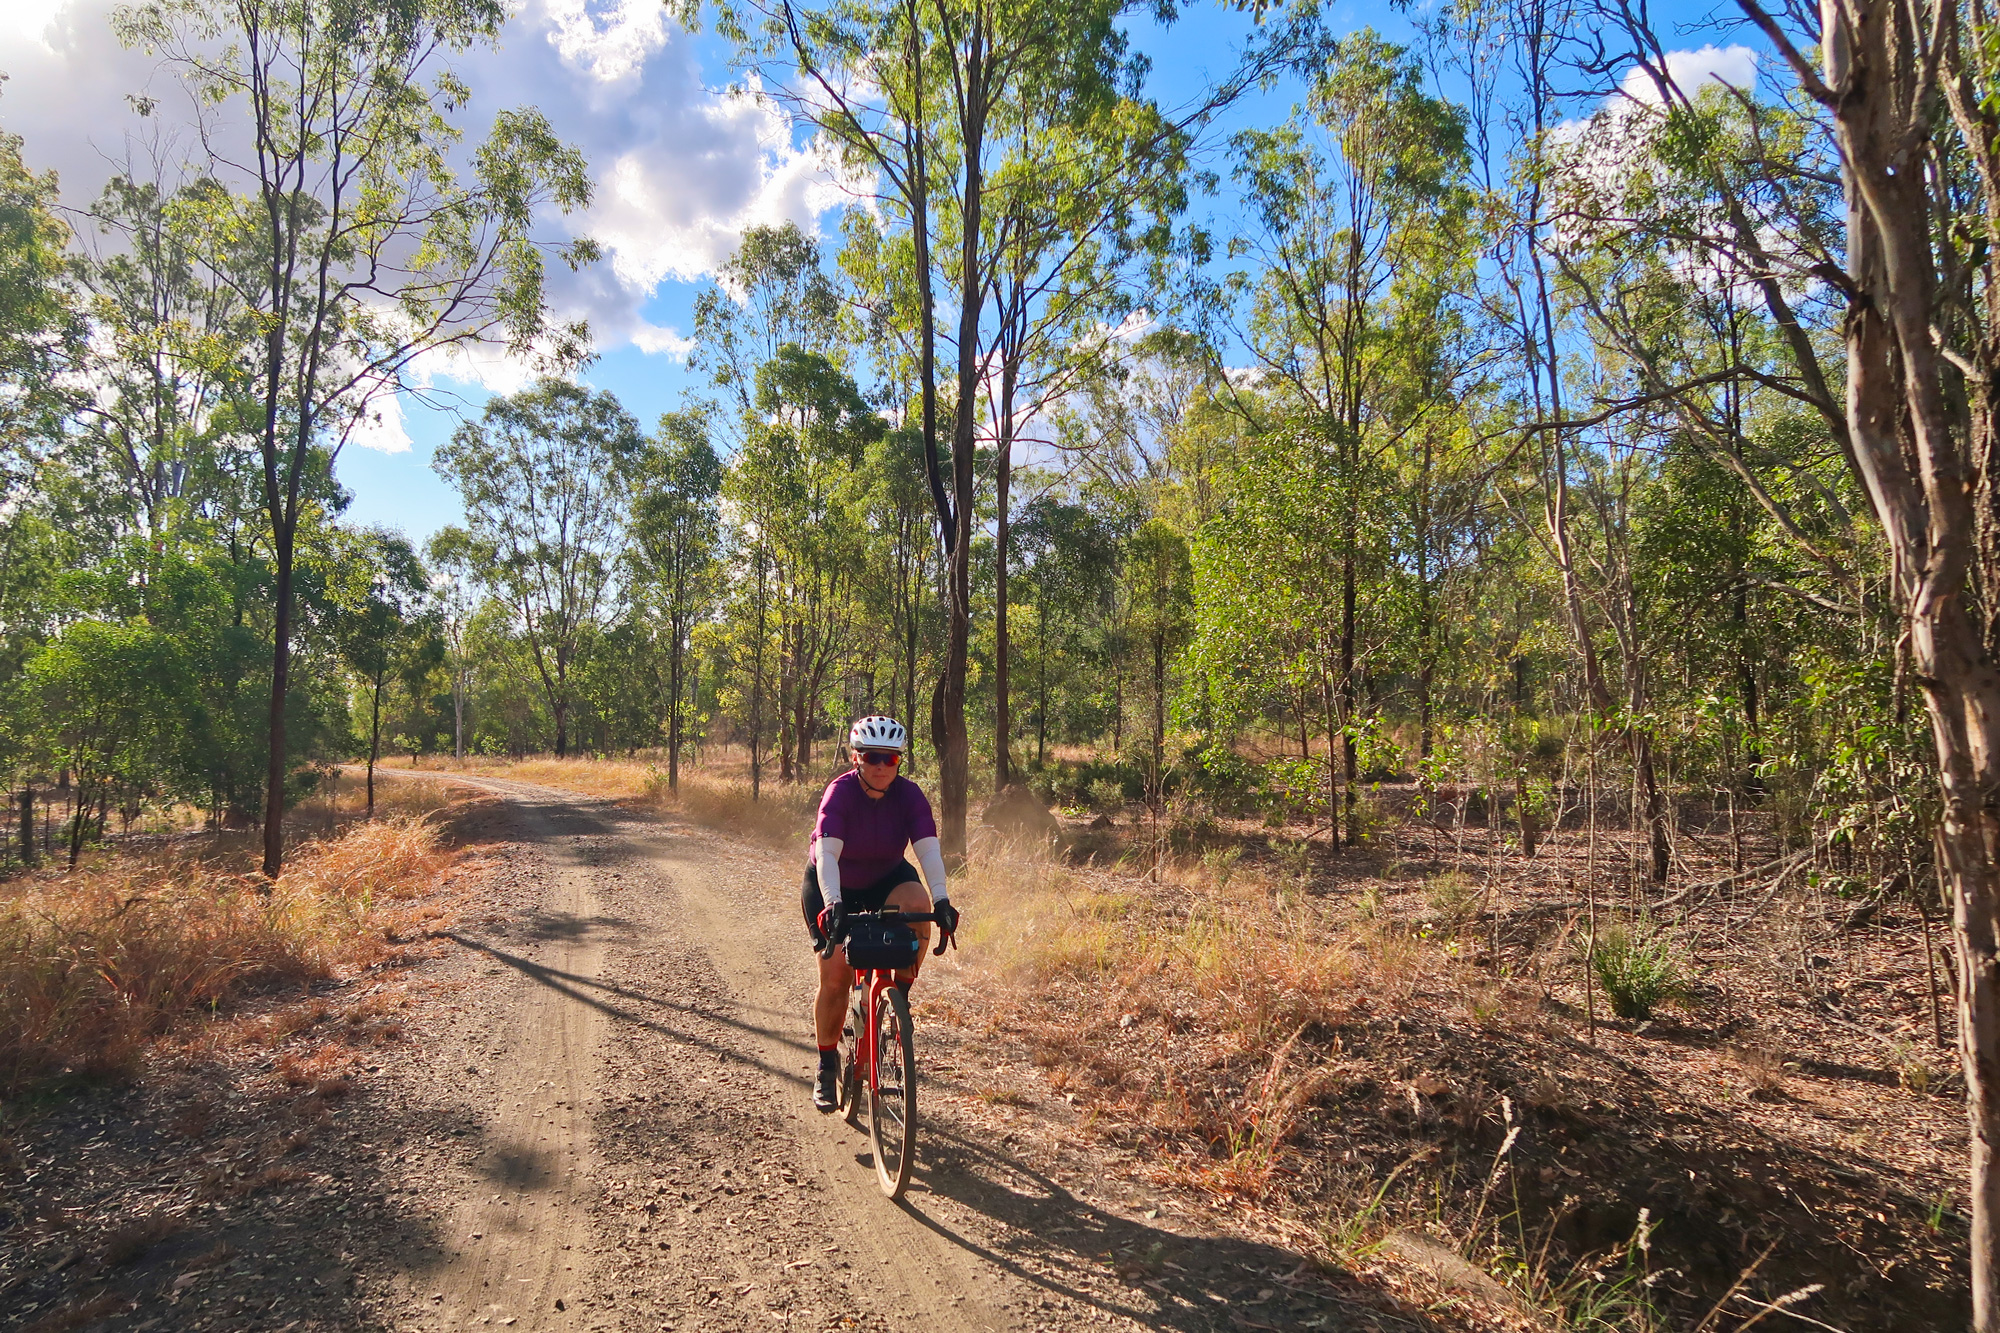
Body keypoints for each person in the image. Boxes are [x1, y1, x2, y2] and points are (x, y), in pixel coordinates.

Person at [803, 715, 960, 1113]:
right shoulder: (839, 793)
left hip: (886, 877)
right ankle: (826, 1065)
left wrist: (942, 900)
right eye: (872, 756)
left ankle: (898, 997)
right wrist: (833, 903)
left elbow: (928, 850)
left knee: (919, 904)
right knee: (836, 977)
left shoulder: (909, 796)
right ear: (855, 757)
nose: (880, 766)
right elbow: (827, 855)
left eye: (890, 759)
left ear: (899, 762)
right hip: (833, 883)